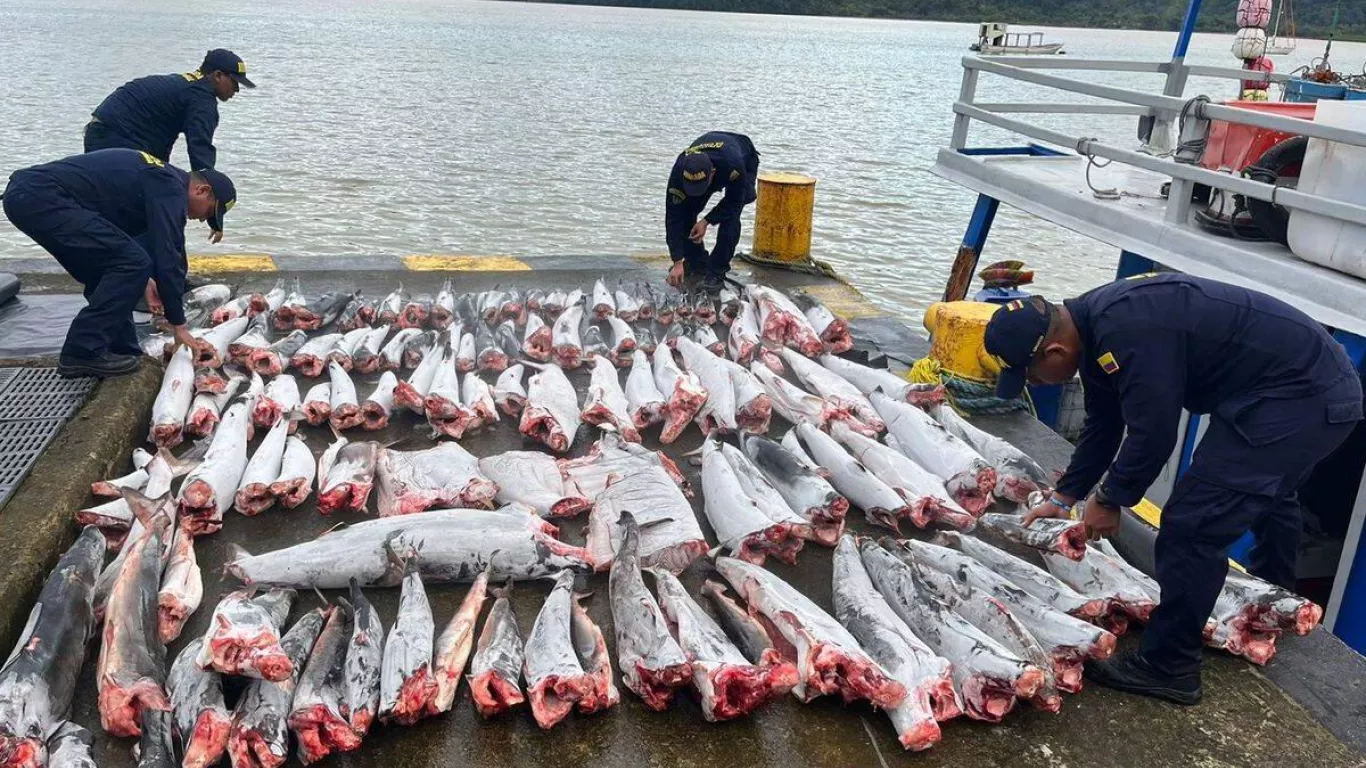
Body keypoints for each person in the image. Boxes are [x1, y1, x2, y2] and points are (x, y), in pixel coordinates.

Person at [985, 272, 1362, 705]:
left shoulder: (1124, 332)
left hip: (1302, 397)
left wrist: (1110, 499)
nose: (1035, 385)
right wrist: (1064, 497)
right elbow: (1105, 424)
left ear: (1055, 350)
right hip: (1294, 387)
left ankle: (1169, 666)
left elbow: (1155, 433)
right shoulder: (1092, 324)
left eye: (1032, 375)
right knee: (1266, 494)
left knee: (1193, 522)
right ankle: (1273, 602)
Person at [2, 149, 236, 378]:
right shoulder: (170, 187)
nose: (202, 219)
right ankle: (82, 351)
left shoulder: (160, 181)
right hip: (41, 197)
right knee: (133, 263)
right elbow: (169, 254)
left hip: (29, 196)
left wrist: (144, 280)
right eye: (209, 212)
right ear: (201, 190)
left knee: (111, 268)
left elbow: (126, 248)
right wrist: (179, 325)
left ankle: (120, 347)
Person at [84, 49, 255, 244]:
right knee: (143, 205)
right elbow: (200, 150)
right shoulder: (202, 99)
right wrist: (211, 208)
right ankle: (141, 263)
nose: (237, 90)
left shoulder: (185, 85)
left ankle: (128, 257)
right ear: (217, 76)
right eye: (235, 83)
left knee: (132, 204)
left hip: (103, 132)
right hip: (117, 137)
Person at [665, 131, 760, 294]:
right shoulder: (679, 169)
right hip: (715, 153)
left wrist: (706, 221)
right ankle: (697, 262)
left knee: (730, 219)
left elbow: (733, 202)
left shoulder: (732, 166)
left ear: (713, 173)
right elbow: (673, 216)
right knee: (686, 212)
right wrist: (677, 261)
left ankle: (717, 272)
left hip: (744, 157)